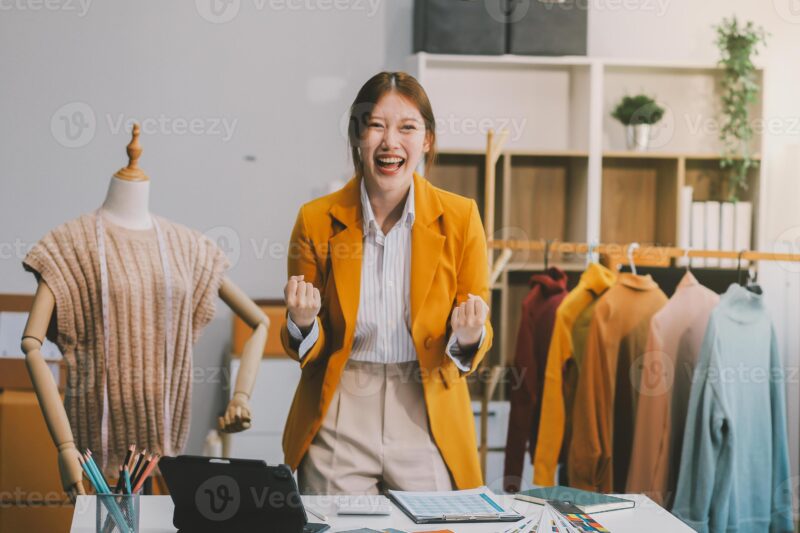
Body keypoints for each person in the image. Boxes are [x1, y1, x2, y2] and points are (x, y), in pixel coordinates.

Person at [281, 71, 493, 494]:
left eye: (408, 128)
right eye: (376, 125)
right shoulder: (315, 219)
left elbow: (476, 340)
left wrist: (470, 336)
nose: (390, 142)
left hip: (426, 404)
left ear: (427, 140)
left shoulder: (462, 217)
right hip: (340, 406)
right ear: (358, 135)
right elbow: (309, 350)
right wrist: (303, 323)